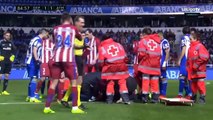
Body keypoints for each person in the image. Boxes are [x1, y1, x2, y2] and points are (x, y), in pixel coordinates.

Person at [43, 13, 85, 114]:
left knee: (54, 83)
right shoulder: (73, 28)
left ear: (61, 20)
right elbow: (80, 38)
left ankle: (47, 107)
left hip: (56, 58)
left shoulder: (56, 28)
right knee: (74, 82)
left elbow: (54, 39)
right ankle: (74, 107)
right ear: (70, 20)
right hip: (68, 59)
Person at [61, 16, 87, 109]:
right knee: (77, 81)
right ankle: (77, 103)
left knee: (77, 81)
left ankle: (65, 98)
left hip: (79, 58)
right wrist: (82, 47)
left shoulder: (79, 33)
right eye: (81, 22)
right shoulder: (72, 31)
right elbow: (71, 45)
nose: (83, 25)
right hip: (74, 58)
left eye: (83, 23)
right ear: (76, 22)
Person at [98, 34, 130, 104]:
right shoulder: (118, 45)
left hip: (110, 67)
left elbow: (100, 62)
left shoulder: (102, 48)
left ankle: (109, 100)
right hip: (121, 66)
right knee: (122, 82)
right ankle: (126, 99)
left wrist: (102, 67)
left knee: (110, 83)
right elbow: (125, 57)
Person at [137, 28, 161, 103]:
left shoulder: (143, 41)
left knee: (145, 81)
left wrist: (139, 60)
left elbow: (141, 54)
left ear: (144, 34)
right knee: (155, 82)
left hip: (146, 64)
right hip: (156, 65)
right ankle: (155, 98)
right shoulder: (156, 42)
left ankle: (145, 98)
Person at [26, 29, 49, 102]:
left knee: (32, 79)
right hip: (32, 61)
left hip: (29, 61)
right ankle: (32, 97)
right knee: (34, 78)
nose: (47, 36)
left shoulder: (34, 39)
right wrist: (37, 59)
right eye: (47, 34)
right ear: (44, 33)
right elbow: (34, 50)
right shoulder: (38, 40)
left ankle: (29, 96)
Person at [187, 30, 209, 104]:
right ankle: (194, 97)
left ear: (195, 39)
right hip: (193, 71)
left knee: (200, 84)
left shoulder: (199, 46)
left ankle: (202, 98)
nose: (189, 40)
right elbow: (189, 60)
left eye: (190, 39)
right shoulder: (191, 48)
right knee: (193, 85)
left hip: (199, 70)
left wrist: (196, 65)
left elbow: (205, 57)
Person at [34, 33, 54, 99]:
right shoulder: (44, 42)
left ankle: (49, 94)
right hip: (44, 63)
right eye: (52, 36)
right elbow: (35, 47)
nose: (53, 37)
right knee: (43, 78)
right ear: (50, 36)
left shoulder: (55, 43)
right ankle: (36, 93)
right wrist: (37, 57)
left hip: (52, 63)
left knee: (51, 79)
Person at [176, 26, 192, 99]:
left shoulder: (184, 38)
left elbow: (184, 49)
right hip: (191, 60)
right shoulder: (192, 38)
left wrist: (179, 59)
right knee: (188, 78)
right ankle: (190, 94)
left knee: (182, 77)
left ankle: (180, 94)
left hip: (185, 60)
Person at [0, 31, 16, 95]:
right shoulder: (1, 42)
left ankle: (4, 91)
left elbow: (15, 50)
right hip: (1, 61)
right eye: (6, 35)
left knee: (7, 75)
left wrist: (13, 56)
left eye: (9, 35)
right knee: (0, 76)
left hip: (8, 61)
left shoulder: (11, 43)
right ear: (4, 36)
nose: (8, 37)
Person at [158, 31, 170, 98]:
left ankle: (163, 93)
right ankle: (160, 93)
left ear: (160, 36)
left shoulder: (165, 42)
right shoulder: (160, 42)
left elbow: (167, 52)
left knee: (163, 77)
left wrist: (165, 63)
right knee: (159, 78)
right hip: (158, 63)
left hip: (162, 63)